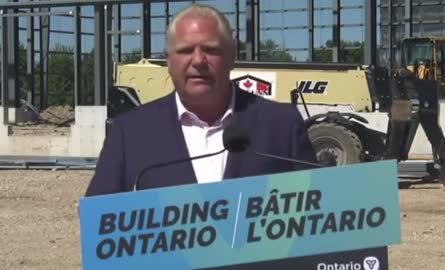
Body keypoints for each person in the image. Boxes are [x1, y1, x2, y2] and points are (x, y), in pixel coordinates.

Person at [85, 3, 317, 196]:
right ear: (168, 60)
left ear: (232, 57)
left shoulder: (281, 124)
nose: (198, 60)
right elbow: (99, 221)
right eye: (186, 50)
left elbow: (318, 211)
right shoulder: (130, 132)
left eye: (211, 49)